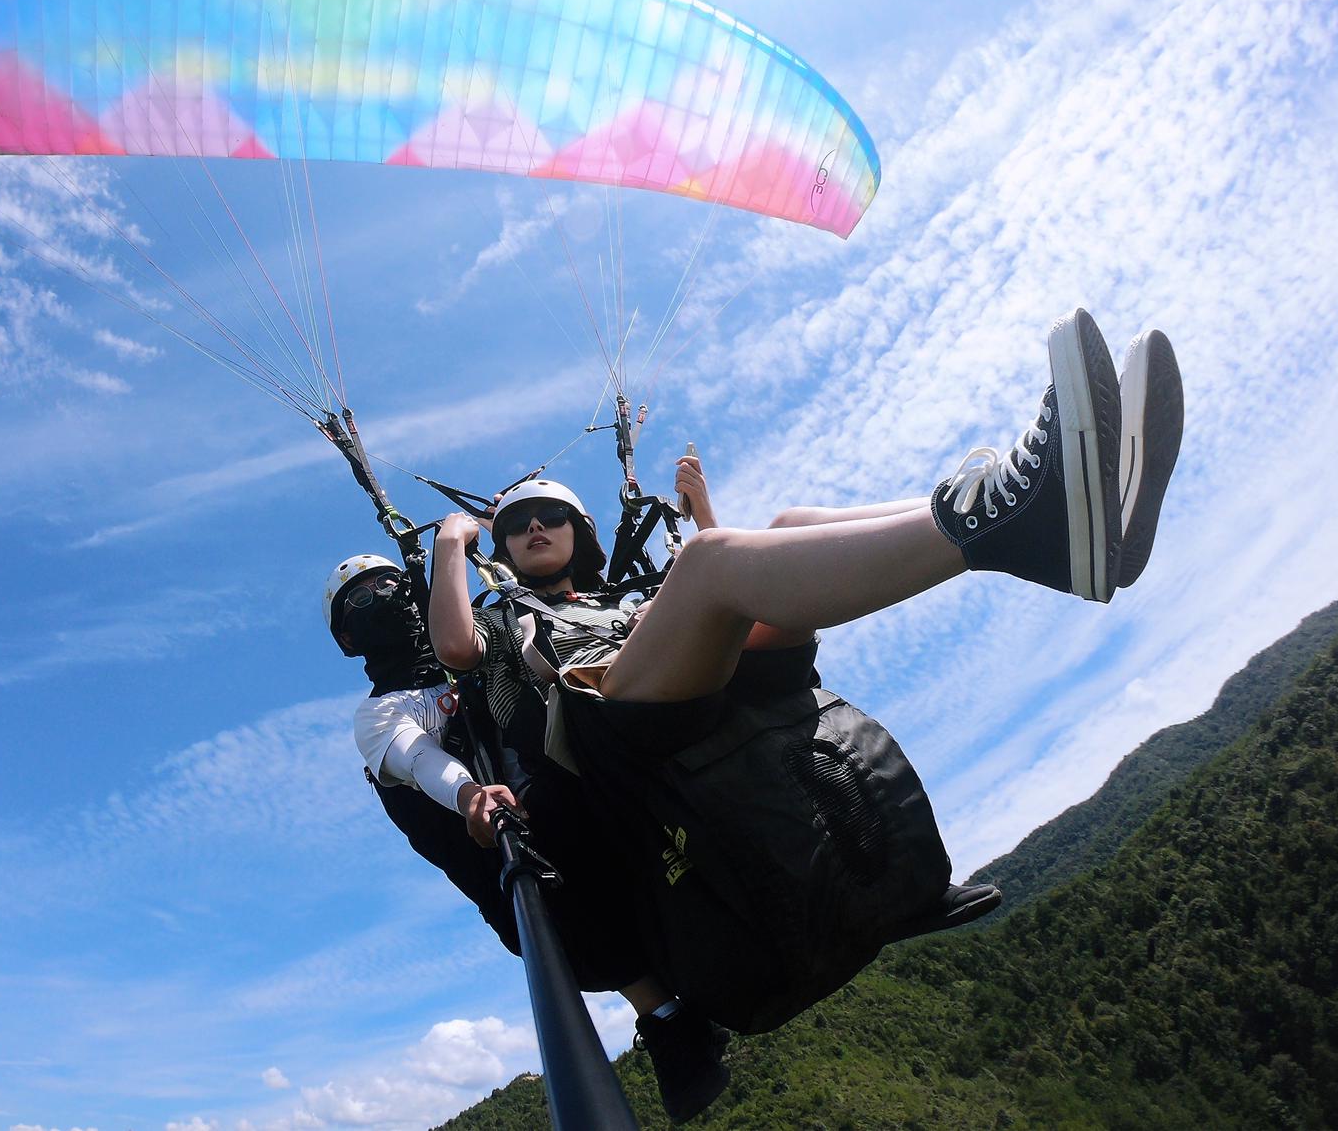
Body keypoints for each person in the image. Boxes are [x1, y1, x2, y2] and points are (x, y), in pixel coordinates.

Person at [427, 308, 1184, 1031]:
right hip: (609, 724)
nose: (532, 528)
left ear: (580, 532)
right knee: (708, 561)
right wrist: (452, 547)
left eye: (549, 516)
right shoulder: (505, 616)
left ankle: (1038, 523)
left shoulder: (621, 593)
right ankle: (1021, 522)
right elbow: (458, 651)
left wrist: (706, 513)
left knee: (781, 526)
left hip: (689, 683)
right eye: (516, 524)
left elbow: (735, 592)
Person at [334, 555, 734, 1122]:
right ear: (349, 637)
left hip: (572, 808)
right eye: (364, 597)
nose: (384, 595)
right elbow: (417, 757)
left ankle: (677, 1009)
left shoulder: (474, 644)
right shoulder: (377, 716)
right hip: (504, 857)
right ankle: (669, 1020)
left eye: (390, 584)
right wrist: (470, 794)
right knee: (581, 928)